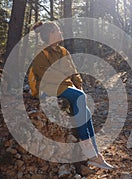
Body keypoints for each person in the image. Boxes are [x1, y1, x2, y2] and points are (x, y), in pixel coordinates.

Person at [31, 21, 114, 169]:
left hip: (65, 86)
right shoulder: (40, 53)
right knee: (79, 99)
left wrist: (78, 85)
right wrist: (67, 79)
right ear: (50, 34)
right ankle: (90, 153)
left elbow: (73, 71)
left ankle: (96, 155)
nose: (61, 33)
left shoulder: (63, 52)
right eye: (58, 31)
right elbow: (44, 74)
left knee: (86, 112)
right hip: (48, 87)